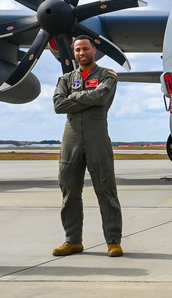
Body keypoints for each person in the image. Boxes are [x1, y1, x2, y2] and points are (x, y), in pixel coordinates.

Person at [51, 35, 124, 258]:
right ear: (74, 53)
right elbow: (58, 104)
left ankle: (113, 241)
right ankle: (73, 240)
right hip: (71, 137)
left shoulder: (107, 75)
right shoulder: (65, 78)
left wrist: (75, 97)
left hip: (97, 136)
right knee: (69, 191)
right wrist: (86, 99)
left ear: (94, 50)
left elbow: (101, 96)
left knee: (106, 189)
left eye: (85, 49)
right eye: (77, 50)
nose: (81, 53)